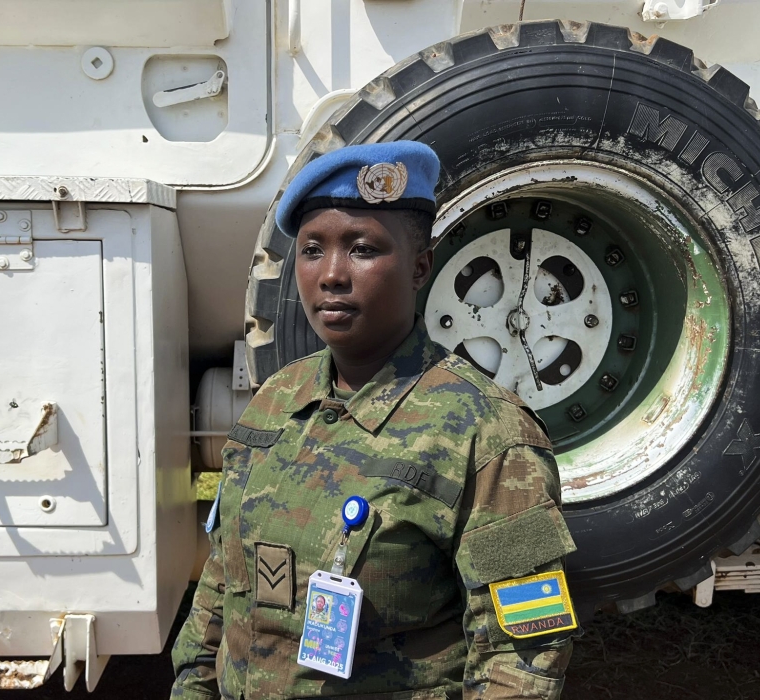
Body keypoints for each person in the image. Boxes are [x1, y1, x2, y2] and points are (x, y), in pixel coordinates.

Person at [171, 141, 577, 699]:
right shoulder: (277, 399)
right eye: (313, 250)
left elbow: (524, 653)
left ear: (419, 265)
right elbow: (221, 584)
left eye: (362, 249)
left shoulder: (490, 437)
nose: (332, 275)